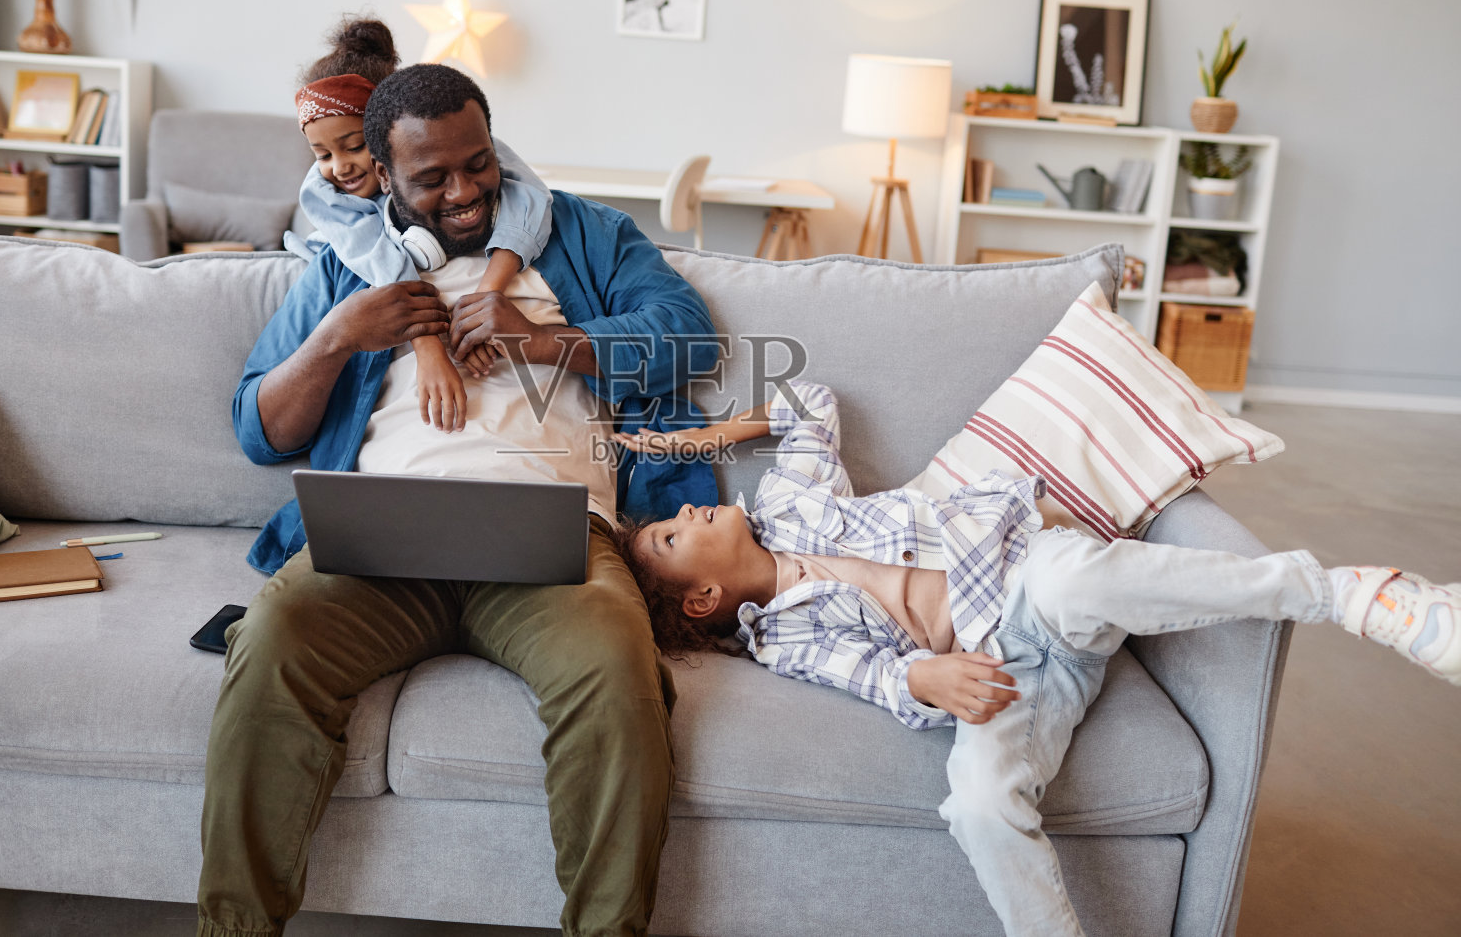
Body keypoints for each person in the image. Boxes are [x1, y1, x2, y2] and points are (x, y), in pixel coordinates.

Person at [612, 379, 1461, 937]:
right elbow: (857, 671)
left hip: (1031, 577)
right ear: (700, 601)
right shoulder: (778, 635)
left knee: (1072, 579)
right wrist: (923, 677)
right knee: (978, 802)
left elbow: (810, 399)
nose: (688, 514)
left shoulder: (791, 500)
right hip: (1004, 669)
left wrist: (701, 443)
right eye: (672, 534)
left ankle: (1349, 593)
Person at [197, 63, 720, 937]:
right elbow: (261, 427)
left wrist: (550, 340)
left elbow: (688, 334)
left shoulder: (582, 235)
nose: (465, 192)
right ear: (384, 174)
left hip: (554, 540)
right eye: (432, 179)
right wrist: (334, 339)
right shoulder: (346, 264)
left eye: (477, 164)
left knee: (615, 667)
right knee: (274, 639)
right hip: (379, 540)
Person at [289, 16, 554, 430]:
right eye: (322, 155)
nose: (339, 168)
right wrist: (429, 346)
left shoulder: (458, 143)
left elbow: (531, 199)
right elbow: (376, 257)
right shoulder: (325, 196)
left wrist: (484, 299)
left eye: (353, 146)